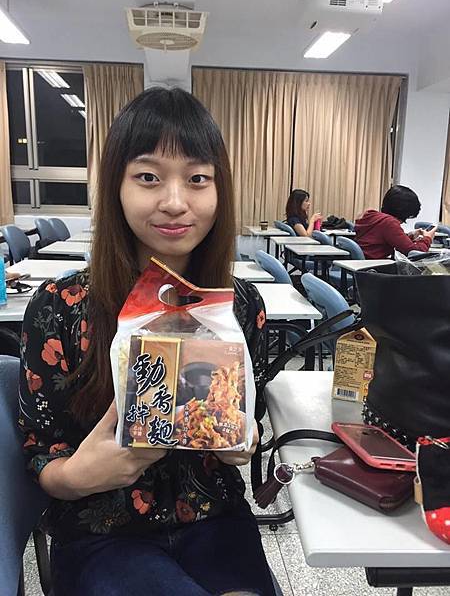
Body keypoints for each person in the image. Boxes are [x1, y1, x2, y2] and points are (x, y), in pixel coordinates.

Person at [19, 88, 276, 596]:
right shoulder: (60, 307)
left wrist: (243, 441)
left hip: (215, 519)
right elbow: (37, 453)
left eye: (197, 179)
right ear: (116, 185)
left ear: (219, 190)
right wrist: (77, 476)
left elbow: (250, 417)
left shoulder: (241, 305)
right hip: (99, 533)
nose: (175, 202)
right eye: (148, 177)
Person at [355, 185, 436, 260]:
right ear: (404, 212)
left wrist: (410, 236)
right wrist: (427, 238)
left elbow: (388, 239)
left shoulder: (371, 216)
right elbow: (415, 253)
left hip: (362, 264)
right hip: (374, 267)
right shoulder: (389, 223)